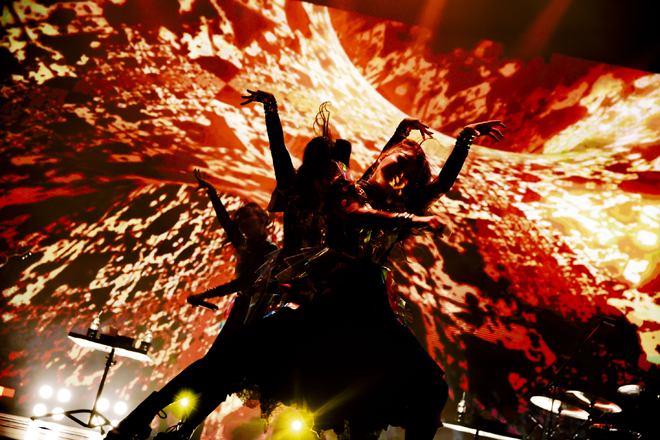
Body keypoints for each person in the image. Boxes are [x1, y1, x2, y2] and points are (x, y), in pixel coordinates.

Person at [105, 171, 277, 440]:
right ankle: (167, 425)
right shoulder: (247, 246)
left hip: (249, 318)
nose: (243, 222)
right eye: (240, 219)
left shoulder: (268, 252)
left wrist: (204, 295)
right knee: (218, 377)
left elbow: (245, 282)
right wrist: (212, 194)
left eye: (248, 217)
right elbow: (227, 224)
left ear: (264, 219)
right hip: (240, 315)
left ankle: (154, 422)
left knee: (219, 376)